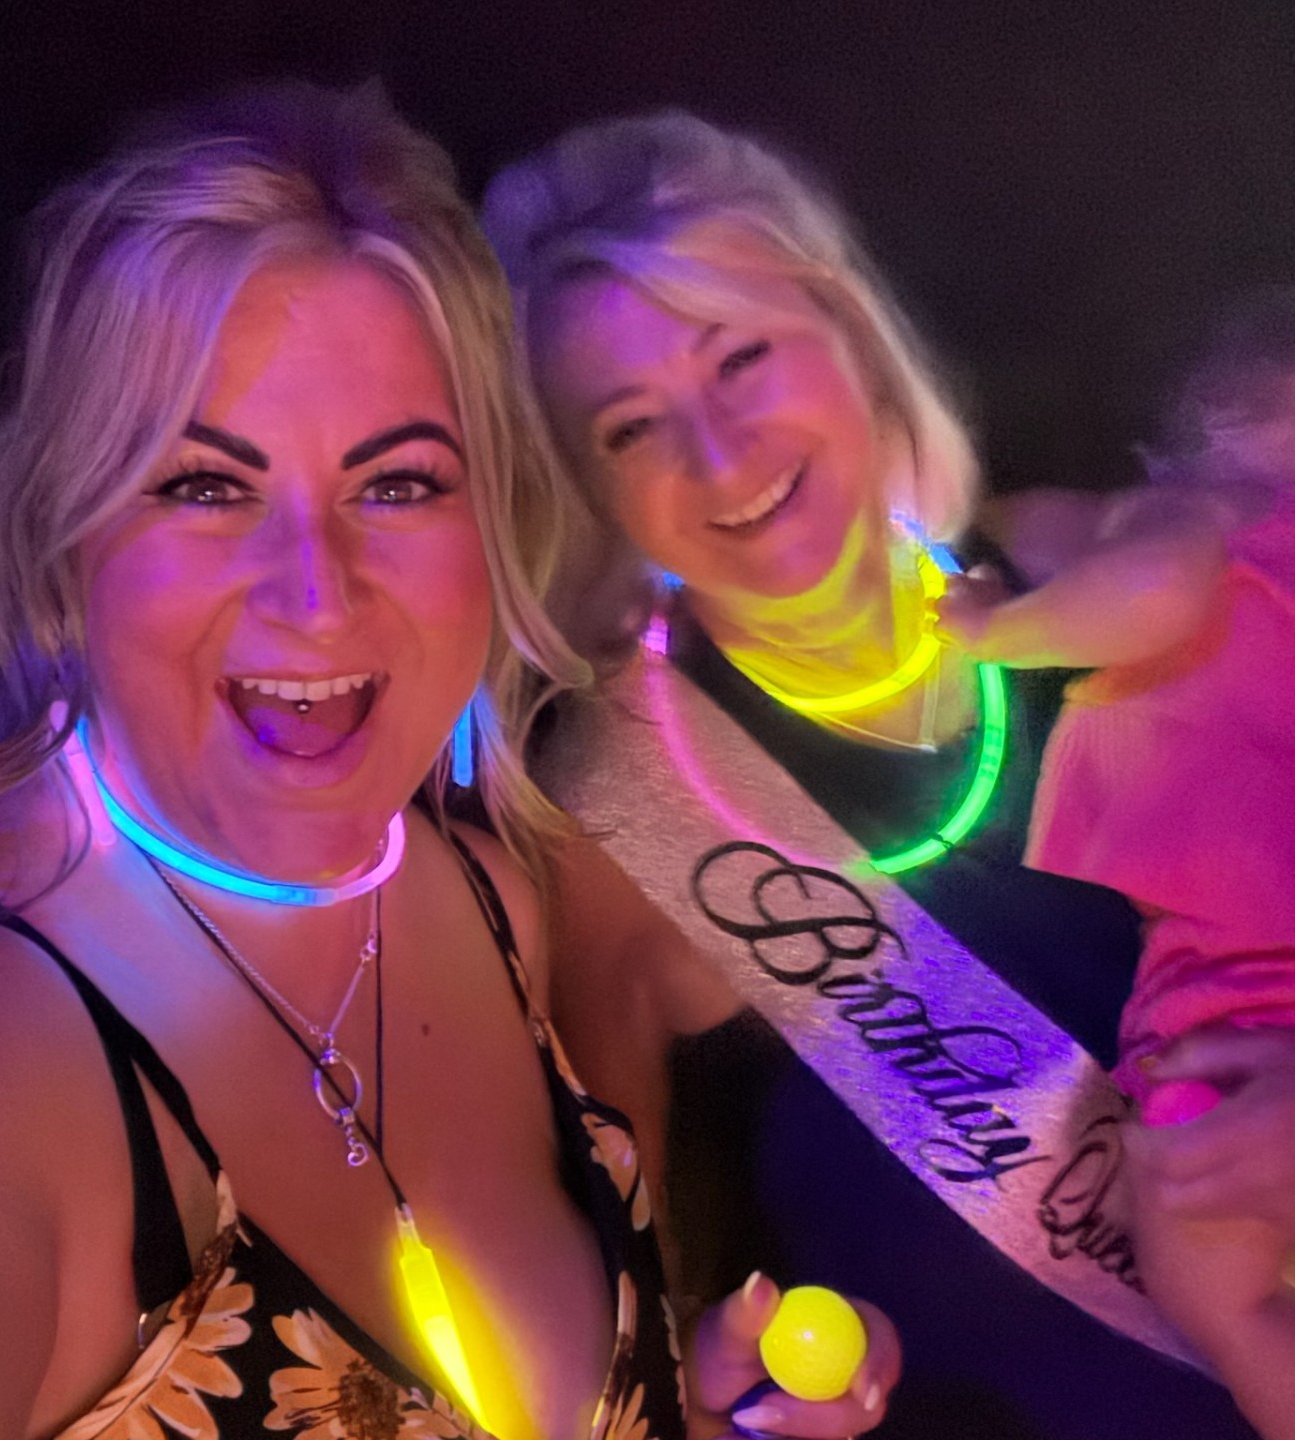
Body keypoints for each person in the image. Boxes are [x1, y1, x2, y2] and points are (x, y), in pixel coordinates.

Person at [0, 87, 900, 1440]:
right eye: (204, 485)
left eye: (398, 483)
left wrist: (689, 1405)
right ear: (67, 543)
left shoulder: (495, 910)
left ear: (493, 531)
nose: (317, 591)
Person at [483, 110, 1269, 1437]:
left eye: (743, 357)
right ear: (585, 494)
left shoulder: (1099, 574)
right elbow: (612, 1341)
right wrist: (733, 1393)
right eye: (630, 429)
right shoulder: (622, 821)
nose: (721, 454)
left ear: (850, 335)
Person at [940, 288, 1295, 1436]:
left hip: (1232, 1025)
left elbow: (1138, 583)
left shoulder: (1195, 514)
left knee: (1215, 1284)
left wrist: (992, 628)